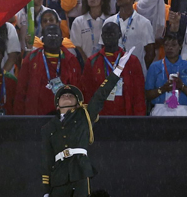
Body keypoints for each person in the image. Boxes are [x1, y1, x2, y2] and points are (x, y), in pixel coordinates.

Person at [41, 48, 135, 197]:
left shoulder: (84, 115)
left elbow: (100, 95)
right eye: (63, 95)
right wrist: (45, 191)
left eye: (70, 96)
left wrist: (118, 70)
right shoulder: (48, 128)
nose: (66, 96)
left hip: (80, 169)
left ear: (78, 103)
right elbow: (46, 162)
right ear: (57, 105)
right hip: (59, 174)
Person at [80, 22, 146, 116]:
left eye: (112, 34)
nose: (108, 37)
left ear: (119, 35)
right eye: (106, 34)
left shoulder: (131, 61)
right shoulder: (92, 61)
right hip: (100, 116)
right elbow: (87, 93)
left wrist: (139, 119)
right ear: (102, 36)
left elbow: (139, 94)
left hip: (126, 116)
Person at [15, 24, 83, 115]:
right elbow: (21, 90)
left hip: (65, 116)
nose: (53, 38)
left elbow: (77, 90)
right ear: (42, 39)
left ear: (62, 39)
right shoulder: (31, 59)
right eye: (49, 35)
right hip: (36, 116)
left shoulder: (72, 60)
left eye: (56, 35)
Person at [145, 32, 187, 116]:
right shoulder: (155, 66)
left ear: (180, 46)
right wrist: (162, 89)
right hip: (159, 110)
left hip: (182, 110)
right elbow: (147, 95)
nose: (169, 48)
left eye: (173, 45)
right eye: (166, 45)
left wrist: (182, 86)